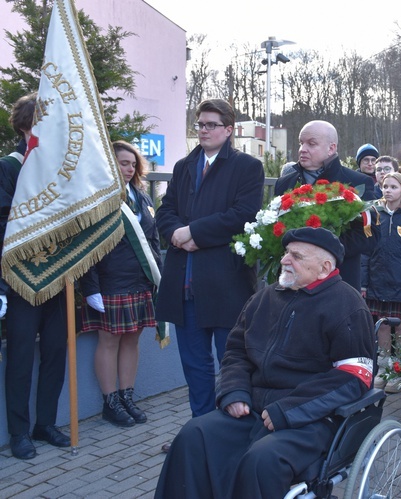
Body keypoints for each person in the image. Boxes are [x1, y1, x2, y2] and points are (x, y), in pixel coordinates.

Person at [155, 227, 375, 498]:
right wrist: (234, 392)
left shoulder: (347, 305)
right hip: (254, 408)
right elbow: (236, 351)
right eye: (286, 253)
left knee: (262, 459)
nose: (284, 260)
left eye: (296, 255)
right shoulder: (265, 297)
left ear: (324, 267)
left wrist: (289, 410)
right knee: (193, 435)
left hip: (310, 419)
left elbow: (355, 376)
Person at [156, 99, 265, 427]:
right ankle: (200, 429)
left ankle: (232, 430)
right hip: (184, 283)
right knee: (194, 365)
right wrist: (177, 232)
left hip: (225, 283)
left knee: (232, 362)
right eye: (200, 125)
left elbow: (242, 216)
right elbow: (165, 210)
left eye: (210, 125)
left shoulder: (247, 167)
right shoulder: (184, 165)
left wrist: (194, 233)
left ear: (228, 130)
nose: (203, 130)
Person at [1, 93, 71, 460]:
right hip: (21, 280)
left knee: (57, 351)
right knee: (22, 357)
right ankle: (18, 431)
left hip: (57, 278)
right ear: (29, 126)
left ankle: (45, 423)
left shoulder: (57, 170)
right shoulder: (9, 167)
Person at [79, 141, 162, 428]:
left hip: (140, 281)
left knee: (132, 340)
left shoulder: (143, 198)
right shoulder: (98, 200)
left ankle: (127, 397)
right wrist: (89, 288)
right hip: (109, 282)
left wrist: (157, 278)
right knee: (109, 341)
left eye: (132, 164)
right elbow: (86, 247)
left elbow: (153, 242)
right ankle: (110, 402)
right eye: (122, 163)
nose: (128, 169)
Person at [275, 120, 377, 290]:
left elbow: (371, 235)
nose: (302, 149)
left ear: (331, 148)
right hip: (292, 285)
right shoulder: (285, 183)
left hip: (337, 283)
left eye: (311, 143)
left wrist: (321, 248)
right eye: (301, 143)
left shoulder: (357, 182)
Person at [362, 172, 401, 392]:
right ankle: (384, 367)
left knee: (400, 326)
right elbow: (365, 252)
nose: (388, 190)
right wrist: (363, 282)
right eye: (385, 186)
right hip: (377, 280)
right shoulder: (374, 215)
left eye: (393, 187)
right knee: (382, 323)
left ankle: (399, 369)